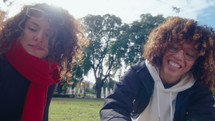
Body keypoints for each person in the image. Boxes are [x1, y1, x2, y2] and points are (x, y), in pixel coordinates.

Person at [100, 17, 215, 121]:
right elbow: (115, 105)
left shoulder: (198, 89)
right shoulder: (139, 73)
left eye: (189, 54)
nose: (178, 56)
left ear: (198, 62)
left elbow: (204, 116)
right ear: (162, 46)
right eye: (173, 47)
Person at [0, 3, 85, 121]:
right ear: (20, 29)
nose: (39, 37)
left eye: (49, 34)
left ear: (59, 43)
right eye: (33, 29)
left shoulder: (49, 74)